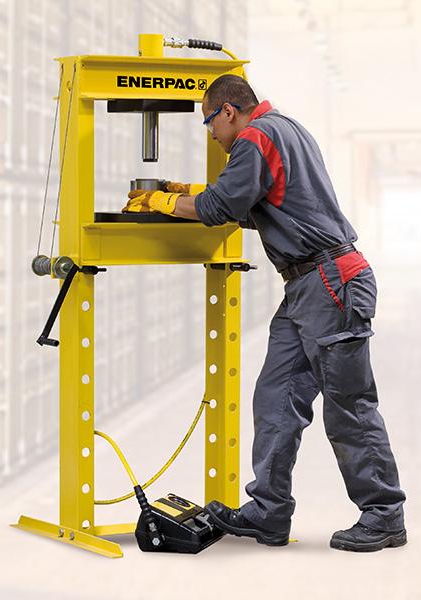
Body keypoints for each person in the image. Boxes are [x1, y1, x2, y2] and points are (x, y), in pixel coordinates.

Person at [123, 74, 406, 552]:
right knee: (275, 396)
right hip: (307, 286)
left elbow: (223, 206)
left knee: (349, 406)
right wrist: (181, 188)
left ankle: (384, 515)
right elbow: (256, 201)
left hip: (330, 284)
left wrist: (161, 201)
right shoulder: (285, 128)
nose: (210, 134)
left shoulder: (254, 138)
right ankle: (268, 512)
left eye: (209, 122)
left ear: (228, 112)